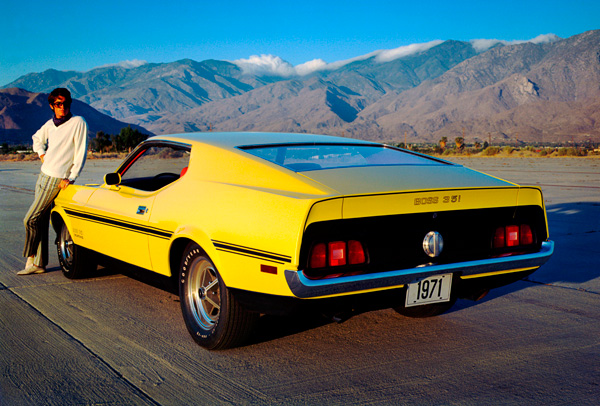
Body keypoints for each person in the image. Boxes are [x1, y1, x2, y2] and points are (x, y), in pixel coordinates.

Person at [18, 88, 88, 275]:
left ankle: (30, 257)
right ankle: (39, 265)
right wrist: (41, 154)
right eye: (58, 104)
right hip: (43, 175)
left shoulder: (78, 122)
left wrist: (71, 177)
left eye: (65, 103)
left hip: (56, 179)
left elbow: (81, 152)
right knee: (39, 221)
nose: (62, 107)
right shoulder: (50, 124)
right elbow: (37, 138)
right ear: (52, 106)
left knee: (29, 219)